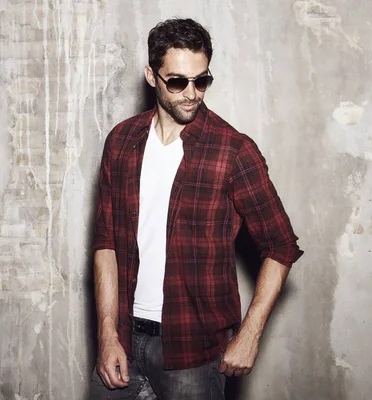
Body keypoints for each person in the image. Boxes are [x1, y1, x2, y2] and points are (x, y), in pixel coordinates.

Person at [88, 18, 303, 400]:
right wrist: (107, 335)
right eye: (177, 81)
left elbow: (281, 246)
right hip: (123, 341)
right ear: (151, 76)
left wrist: (250, 335)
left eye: (202, 80)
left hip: (194, 352)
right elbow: (106, 242)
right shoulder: (121, 142)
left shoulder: (232, 151)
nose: (192, 93)